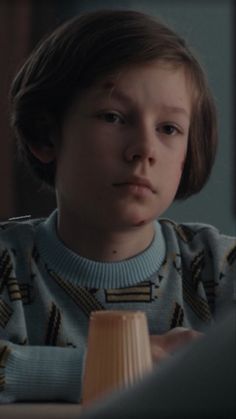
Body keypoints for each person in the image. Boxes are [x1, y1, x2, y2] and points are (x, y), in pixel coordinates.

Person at [0, 9, 235, 404]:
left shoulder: (221, 267)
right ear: (46, 134)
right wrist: (126, 365)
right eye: (113, 117)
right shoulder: (7, 264)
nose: (144, 149)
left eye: (168, 128)